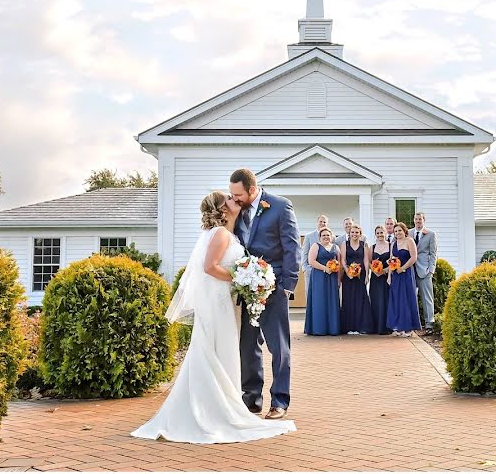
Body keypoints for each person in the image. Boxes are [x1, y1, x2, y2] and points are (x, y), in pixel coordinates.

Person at [131, 191, 296, 443]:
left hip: (229, 301)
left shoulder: (230, 231)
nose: (235, 200)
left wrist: (251, 277)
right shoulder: (220, 234)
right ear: (222, 209)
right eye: (230, 199)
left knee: (222, 352)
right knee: (219, 352)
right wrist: (242, 277)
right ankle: (218, 408)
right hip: (220, 302)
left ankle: (222, 404)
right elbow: (209, 267)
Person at [230, 168, 300, 420]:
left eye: (238, 194)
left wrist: (288, 285)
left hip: (275, 287)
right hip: (246, 289)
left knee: (278, 347)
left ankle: (279, 400)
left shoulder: (280, 207)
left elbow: (292, 247)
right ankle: (252, 399)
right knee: (248, 346)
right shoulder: (236, 210)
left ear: (252, 189)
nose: (234, 198)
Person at [304, 227, 341, 336]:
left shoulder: (336, 247)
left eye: (328, 235)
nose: (326, 237)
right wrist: (325, 268)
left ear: (331, 236)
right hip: (319, 277)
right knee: (319, 300)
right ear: (320, 237)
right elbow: (311, 261)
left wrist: (339, 279)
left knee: (332, 301)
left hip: (332, 278)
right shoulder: (316, 246)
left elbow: (339, 264)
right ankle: (319, 328)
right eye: (323, 235)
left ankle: (332, 328)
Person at [386, 222, 421, 337]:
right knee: (396, 299)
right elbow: (391, 260)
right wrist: (389, 276)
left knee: (406, 298)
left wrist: (403, 268)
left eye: (399, 230)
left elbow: (414, 257)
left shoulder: (409, 241)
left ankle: (408, 328)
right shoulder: (393, 244)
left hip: (406, 274)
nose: (397, 233)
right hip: (396, 275)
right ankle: (398, 327)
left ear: (404, 230)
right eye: (395, 231)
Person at [339, 224, 375, 335]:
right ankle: (349, 327)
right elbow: (343, 261)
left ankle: (361, 327)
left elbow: (365, 261)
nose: (354, 234)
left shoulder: (364, 245)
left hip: (361, 275)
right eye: (352, 232)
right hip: (348, 275)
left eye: (356, 232)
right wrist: (347, 272)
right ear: (349, 234)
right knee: (348, 299)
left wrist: (367, 275)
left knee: (361, 299)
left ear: (360, 234)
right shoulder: (344, 244)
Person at [410, 212, 438, 334]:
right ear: (414, 220)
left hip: (424, 270)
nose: (418, 221)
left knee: (427, 298)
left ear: (424, 220)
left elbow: (433, 253)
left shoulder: (431, 234)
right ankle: (413, 324)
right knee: (411, 297)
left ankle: (429, 324)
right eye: (416, 219)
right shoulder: (409, 233)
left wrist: (431, 270)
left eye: (420, 219)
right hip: (410, 270)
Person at [369, 225, 392, 335]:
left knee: (386, 300)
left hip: (386, 277)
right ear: (375, 234)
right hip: (375, 278)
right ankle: (376, 326)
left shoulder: (391, 246)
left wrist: (385, 271)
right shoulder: (372, 247)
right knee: (376, 300)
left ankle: (386, 326)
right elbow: (368, 262)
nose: (380, 235)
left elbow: (393, 261)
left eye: (381, 232)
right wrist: (374, 270)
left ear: (385, 233)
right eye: (378, 233)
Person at [301, 215, 329, 289]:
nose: (322, 223)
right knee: (310, 294)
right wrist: (305, 269)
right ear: (317, 222)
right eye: (320, 221)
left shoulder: (330, 237)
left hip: (326, 272)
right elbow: (304, 253)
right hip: (311, 271)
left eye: (324, 222)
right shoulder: (309, 236)